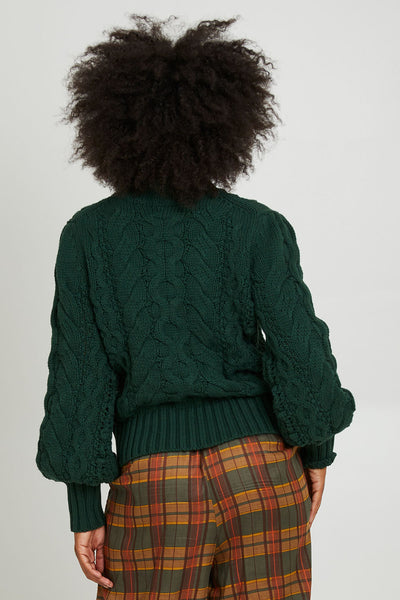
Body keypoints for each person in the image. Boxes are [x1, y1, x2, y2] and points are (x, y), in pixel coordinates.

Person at [35, 13, 356, 599]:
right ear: (227, 123)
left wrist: (84, 507)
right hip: (263, 473)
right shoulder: (256, 226)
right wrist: (317, 449)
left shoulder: (88, 236)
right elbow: (299, 346)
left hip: (155, 484)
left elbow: (80, 376)